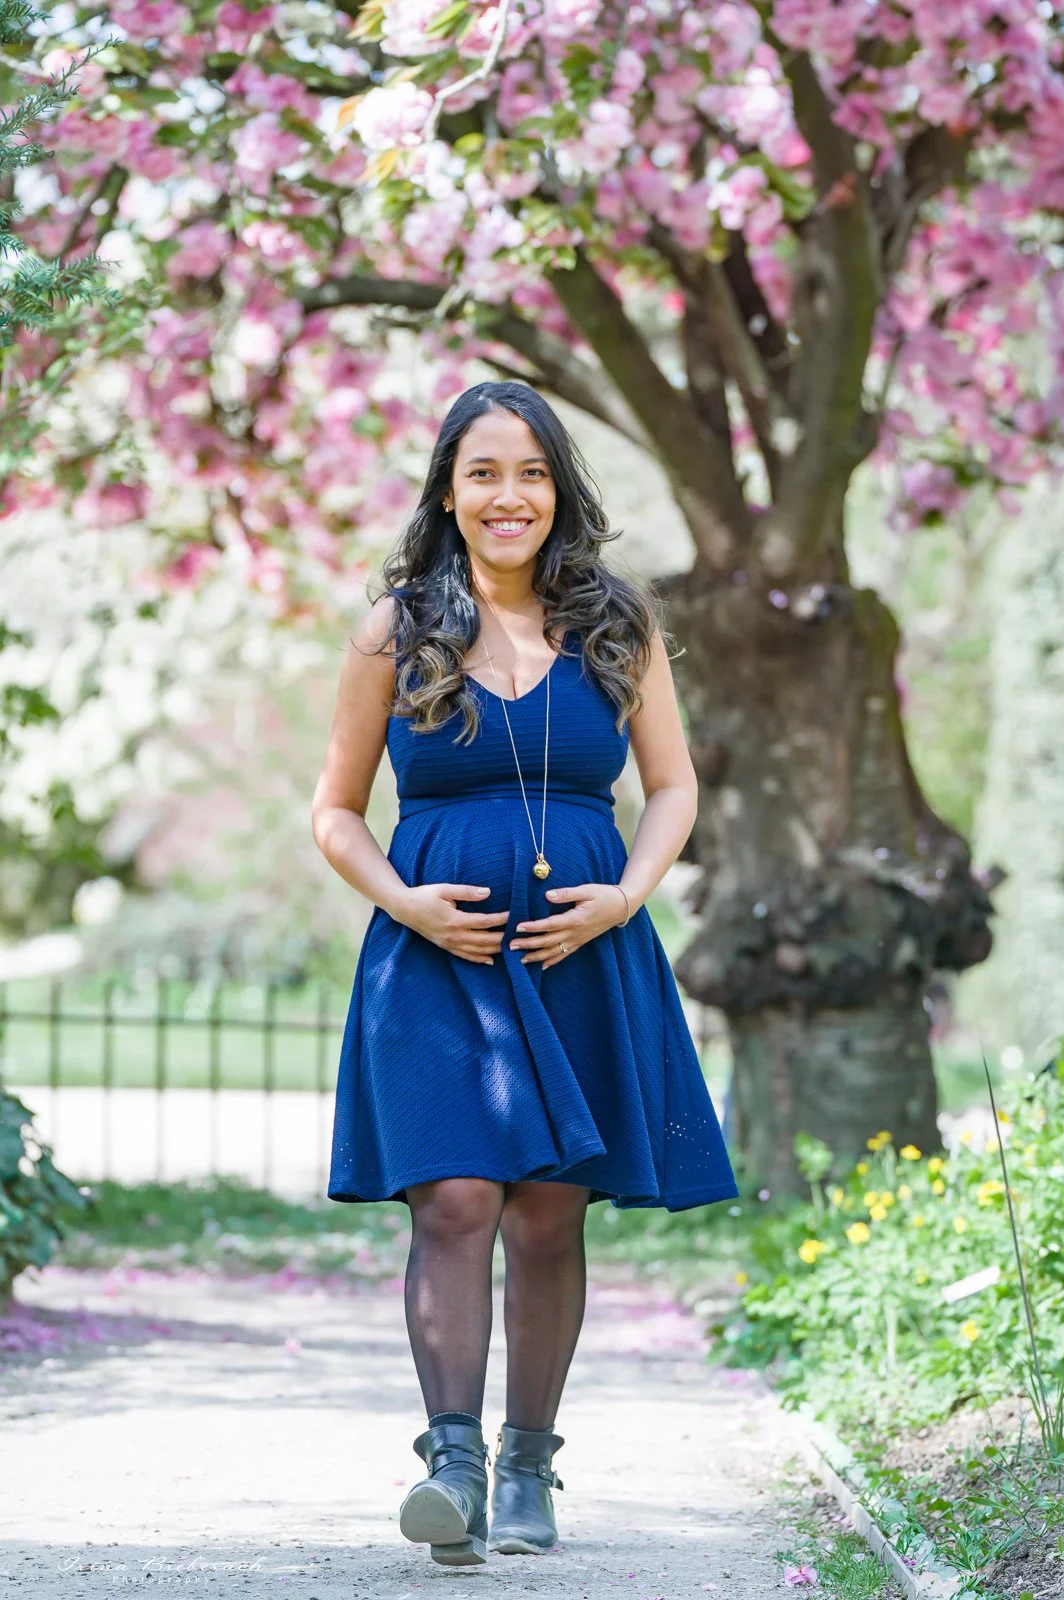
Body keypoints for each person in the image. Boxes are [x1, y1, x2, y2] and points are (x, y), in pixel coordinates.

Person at [311, 380, 739, 1569]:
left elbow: (674, 787)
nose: (510, 495)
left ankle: (528, 1462)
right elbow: (335, 812)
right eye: (484, 471)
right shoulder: (394, 629)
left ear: (559, 488)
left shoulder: (617, 623)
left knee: (549, 1213)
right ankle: (450, 1462)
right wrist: (402, 902)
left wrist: (623, 895)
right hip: (433, 958)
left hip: (579, 952)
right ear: (448, 490)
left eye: (532, 471)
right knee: (452, 1198)